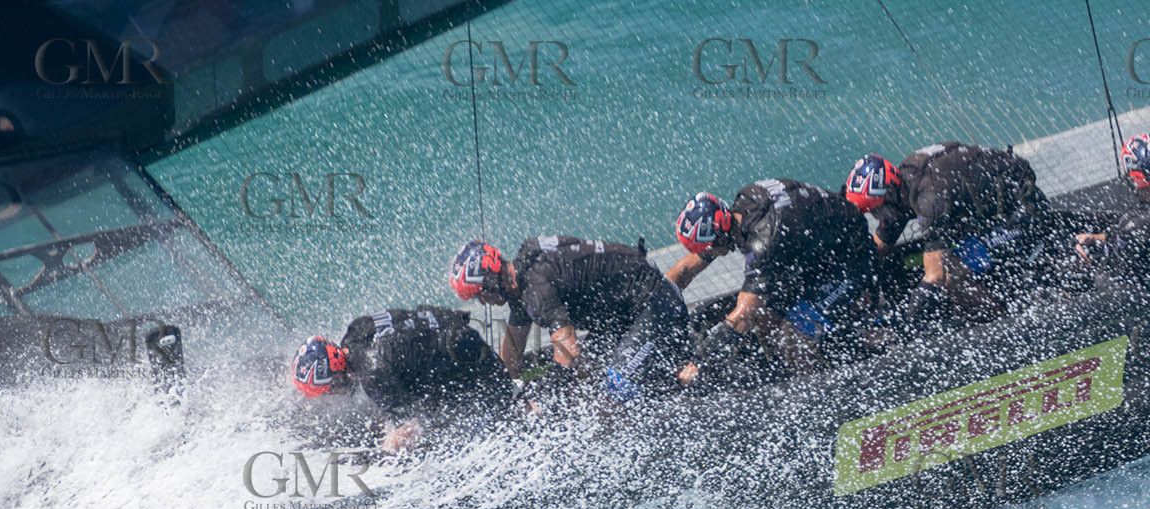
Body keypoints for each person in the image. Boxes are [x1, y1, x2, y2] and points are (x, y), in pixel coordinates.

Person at [667, 179, 877, 383]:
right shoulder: (744, 203)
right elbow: (686, 269)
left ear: (721, 235)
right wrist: (659, 299)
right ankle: (783, 369)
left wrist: (700, 362)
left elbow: (743, 315)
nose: (709, 253)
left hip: (851, 257)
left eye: (710, 248)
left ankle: (822, 386)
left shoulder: (763, 244)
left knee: (793, 338)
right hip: (815, 248)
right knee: (766, 316)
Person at [447, 235, 690, 402]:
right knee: (588, 373)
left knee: (614, 386)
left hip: (656, 305)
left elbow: (568, 351)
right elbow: (511, 356)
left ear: (492, 281)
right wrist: (504, 395)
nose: (483, 302)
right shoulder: (522, 274)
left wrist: (547, 396)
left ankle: (685, 378)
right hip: (625, 315)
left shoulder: (536, 287)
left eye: (480, 295)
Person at [843, 142, 1050, 323]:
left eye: (876, 210)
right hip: (993, 208)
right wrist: (856, 283)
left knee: (950, 269)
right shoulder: (903, 181)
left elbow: (935, 275)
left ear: (889, 194)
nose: (877, 215)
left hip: (1025, 213)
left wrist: (909, 322)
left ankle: (1003, 324)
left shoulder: (930, 199)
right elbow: (880, 244)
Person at [290, 306, 516, 451]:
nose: (332, 394)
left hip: (472, 359)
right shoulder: (357, 330)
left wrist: (387, 447)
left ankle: (520, 405)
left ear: (336, 375)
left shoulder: (373, 376)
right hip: (453, 325)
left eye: (329, 389)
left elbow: (412, 426)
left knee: (399, 442)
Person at [1074, 134, 1150, 270]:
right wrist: (1096, 238)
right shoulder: (1138, 221)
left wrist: (1088, 252)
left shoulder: (1138, 222)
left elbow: (1113, 262)